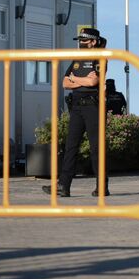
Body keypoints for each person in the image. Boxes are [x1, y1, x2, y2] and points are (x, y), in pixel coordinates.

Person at [42, 27, 108, 197]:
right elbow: (64, 82)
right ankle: (63, 186)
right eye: (80, 41)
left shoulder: (100, 57)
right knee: (70, 146)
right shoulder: (77, 59)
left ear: (93, 42)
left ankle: (102, 186)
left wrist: (75, 79)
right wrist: (81, 80)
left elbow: (94, 82)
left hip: (93, 106)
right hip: (77, 106)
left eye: (84, 41)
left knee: (96, 148)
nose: (81, 44)